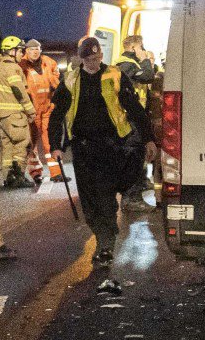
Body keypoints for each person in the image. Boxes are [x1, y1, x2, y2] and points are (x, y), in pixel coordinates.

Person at [49, 36, 156, 266]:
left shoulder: (114, 75)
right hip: (82, 148)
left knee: (105, 196)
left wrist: (148, 138)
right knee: (89, 200)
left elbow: (134, 108)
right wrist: (55, 146)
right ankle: (100, 232)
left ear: (101, 56)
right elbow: (57, 114)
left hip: (110, 146)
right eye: (88, 58)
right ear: (81, 58)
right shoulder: (71, 79)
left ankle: (106, 243)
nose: (93, 62)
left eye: (97, 57)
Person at [113, 34, 157, 208]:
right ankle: (131, 198)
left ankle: (139, 185)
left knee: (138, 154)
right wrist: (144, 58)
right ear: (133, 48)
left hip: (134, 117)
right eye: (141, 47)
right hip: (129, 119)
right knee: (133, 156)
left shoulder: (131, 64)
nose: (144, 50)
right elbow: (147, 76)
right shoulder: (126, 65)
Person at [0, 35, 36, 189]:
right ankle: (18, 176)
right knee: (23, 143)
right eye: (19, 51)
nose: (21, 54)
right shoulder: (12, 68)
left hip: (1, 116)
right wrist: (30, 110)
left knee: (8, 146)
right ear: (11, 51)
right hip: (14, 114)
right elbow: (19, 91)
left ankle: (8, 176)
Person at [18, 39, 62, 181]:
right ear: (26, 51)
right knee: (32, 143)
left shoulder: (48, 62)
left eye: (37, 49)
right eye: (31, 49)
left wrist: (54, 86)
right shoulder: (21, 65)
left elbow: (56, 76)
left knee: (49, 141)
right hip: (32, 110)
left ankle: (56, 173)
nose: (35, 52)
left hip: (47, 107)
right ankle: (36, 173)